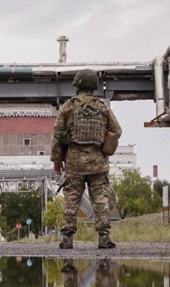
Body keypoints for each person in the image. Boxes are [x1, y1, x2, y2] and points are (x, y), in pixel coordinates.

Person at [51, 69, 123, 249]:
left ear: (77, 85)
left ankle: (67, 238)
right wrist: (106, 148)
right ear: (94, 87)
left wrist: (57, 160)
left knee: (72, 199)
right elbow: (117, 130)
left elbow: (57, 134)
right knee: (100, 200)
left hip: (74, 163)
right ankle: (104, 238)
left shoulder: (68, 106)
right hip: (98, 163)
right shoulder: (102, 106)